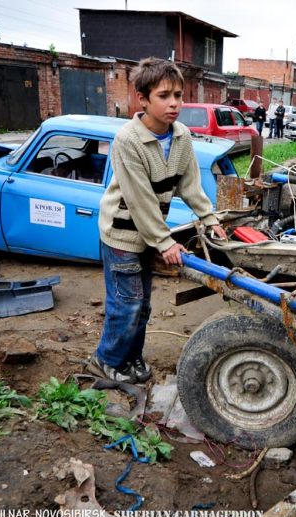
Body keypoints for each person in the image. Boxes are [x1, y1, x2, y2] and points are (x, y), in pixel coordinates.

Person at [92, 57, 218, 384]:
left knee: (143, 305)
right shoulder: (128, 140)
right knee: (127, 303)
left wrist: (210, 219)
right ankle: (106, 360)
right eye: (164, 96)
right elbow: (139, 199)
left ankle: (130, 359)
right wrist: (164, 241)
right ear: (143, 99)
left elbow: (190, 185)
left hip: (149, 233)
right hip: (121, 233)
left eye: (178, 94)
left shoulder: (181, 137)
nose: (174, 103)